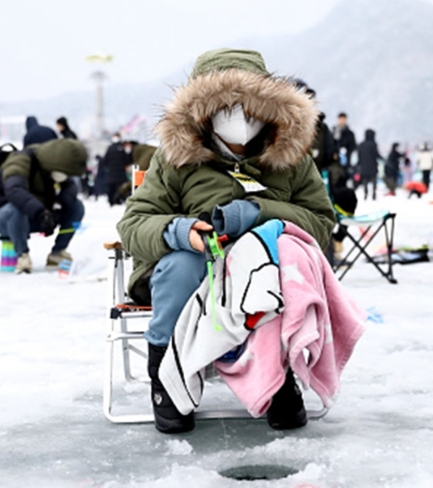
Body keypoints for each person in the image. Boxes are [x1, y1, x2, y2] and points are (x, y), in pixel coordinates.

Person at [117, 48, 335, 434]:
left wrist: (261, 213)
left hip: (262, 274)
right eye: (225, 106)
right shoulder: (176, 159)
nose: (239, 116)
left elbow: (320, 224)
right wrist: (179, 231)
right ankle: (167, 376)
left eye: (249, 105)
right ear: (202, 111)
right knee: (186, 264)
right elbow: (134, 223)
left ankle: (277, 374)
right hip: (188, 267)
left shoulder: (293, 158)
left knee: (280, 258)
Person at [0, 138, 87, 273]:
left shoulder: (56, 166)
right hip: (6, 218)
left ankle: (57, 252)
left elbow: (69, 187)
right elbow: (15, 190)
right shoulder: (20, 161)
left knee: (77, 207)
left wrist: (60, 204)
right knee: (16, 208)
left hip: (38, 215)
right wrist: (41, 212)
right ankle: (22, 255)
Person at [102, 134, 131, 206]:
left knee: (111, 188)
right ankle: (119, 200)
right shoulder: (122, 148)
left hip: (111, 172)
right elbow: (127, 160)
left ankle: (111, 201)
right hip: (121, 173)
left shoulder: (110, 148)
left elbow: (105, 160)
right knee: (121, 188)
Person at [356, 129, 381, 200]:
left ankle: (366, 194)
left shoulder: (361, 145)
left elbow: (359, 156)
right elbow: (376, 155)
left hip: (364, 166)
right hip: (373, 166)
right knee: (374, 181)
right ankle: (374, 194)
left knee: (365, 181)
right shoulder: (373, 144)